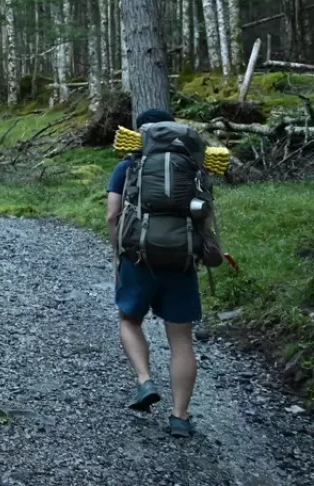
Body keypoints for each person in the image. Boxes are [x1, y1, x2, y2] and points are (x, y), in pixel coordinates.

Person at [106, 107, 204, 439]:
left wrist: (118, 256)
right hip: (181, 261)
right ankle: (179, 417)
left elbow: (112, 216)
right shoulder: (191, 167)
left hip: (138, 257)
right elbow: (205, 217)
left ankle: (144, 380)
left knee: (129, 320)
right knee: (181, 341)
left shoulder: (127, 166)